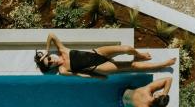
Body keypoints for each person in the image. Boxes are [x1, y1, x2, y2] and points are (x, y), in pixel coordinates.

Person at [34, 33, 176, 78]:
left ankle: (139, 54)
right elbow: (80, 75)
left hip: (98, 52)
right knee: (131, 66)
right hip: (99, 67)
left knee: (127, 48)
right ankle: (163, 64)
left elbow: (51, 35)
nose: (52, 61)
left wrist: (46, 50)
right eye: (50, 64)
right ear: (52, 68)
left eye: (49, 58)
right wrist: (97, 76)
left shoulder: (62, 50)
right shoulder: (63, 70)